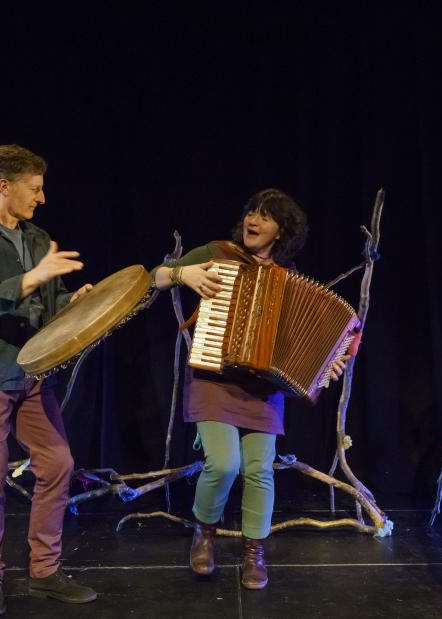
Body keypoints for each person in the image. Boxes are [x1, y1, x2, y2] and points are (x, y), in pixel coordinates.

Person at [154, 188, 345, 589]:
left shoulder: (286, 280)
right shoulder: (218, 254)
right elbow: (155, 276)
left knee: (259, 469)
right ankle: (204, 532)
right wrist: (180, 273)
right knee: (224, 464)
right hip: (213, 379)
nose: (253, 221)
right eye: (251, 213)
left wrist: (329, 362)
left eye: (265, 217)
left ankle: (253, 552)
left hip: (261, 390)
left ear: (281, 231)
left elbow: (306, 346)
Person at [0, 144, 97, 616]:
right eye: (34, 188)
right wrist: (35, 278)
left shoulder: (37, 238)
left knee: (57, 464)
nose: (42, 197)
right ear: (3, 186)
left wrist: (72, 303)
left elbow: (43, 304)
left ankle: (44, 572)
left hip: (30, 372)